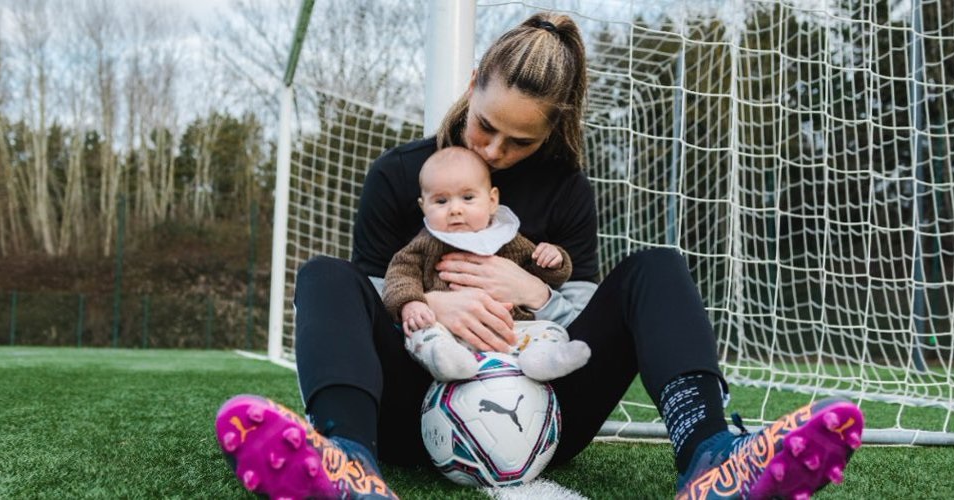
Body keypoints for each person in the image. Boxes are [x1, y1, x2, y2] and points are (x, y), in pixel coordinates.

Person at [213, 12, 864, 500]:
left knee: (656, 268)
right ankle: (349, 460)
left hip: (545, 410)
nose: (494, 149)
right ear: (472, 85)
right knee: (325, 276)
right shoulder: (401, 175)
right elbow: (368, 299)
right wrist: (431, 299)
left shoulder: (566, 191)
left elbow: (578, 311)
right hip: (412, 408)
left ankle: (712, 457)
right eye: (484, 125)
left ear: (552, 129)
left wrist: (536, 294)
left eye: (518, 141)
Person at [384, 146, 591, 382]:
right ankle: (447, 361)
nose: (455, 209)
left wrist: (553, 259)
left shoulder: (509, 239)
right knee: (422, 333)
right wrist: (411, 303)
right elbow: (399, 276)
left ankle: (543, 359)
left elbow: (541, 270)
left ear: (492, 201)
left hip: (512, 330)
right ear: (424, 207)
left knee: (549, 331)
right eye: (441, 201)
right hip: (449, 331)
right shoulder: (423, 246)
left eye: (468, 198)